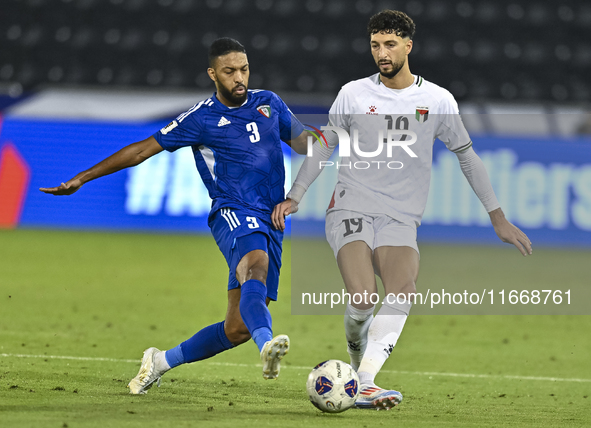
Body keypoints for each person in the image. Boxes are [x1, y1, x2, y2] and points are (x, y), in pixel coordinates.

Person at [272, 10, 533, 410]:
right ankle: (358, 354)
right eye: (376, 44)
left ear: (408, 46)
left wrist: (496, 216)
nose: (382, 52)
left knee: (403, 290)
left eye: (390, 44)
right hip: (351, 205)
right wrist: (298, 193)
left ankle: (365, 381)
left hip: (401, 218)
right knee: (362, 296)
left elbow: (467, 156)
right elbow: (325, 143)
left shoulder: (437, 100)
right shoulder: (354, 94)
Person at [40, 37, 311, 395]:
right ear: (213, 73)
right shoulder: (201, 118)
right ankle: (267, 346)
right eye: (229, 71)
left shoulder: (269, 103)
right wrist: (82, 178)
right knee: (254, 265)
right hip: (232, 211)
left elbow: (309, 145)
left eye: (244, 69)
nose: (239, 77)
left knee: (236, 329)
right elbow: (141, 151)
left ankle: (160, 361)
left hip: (272, 217)